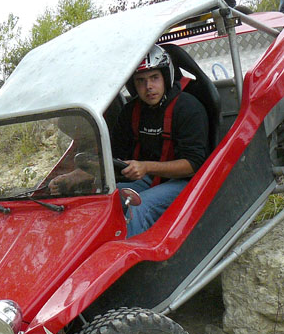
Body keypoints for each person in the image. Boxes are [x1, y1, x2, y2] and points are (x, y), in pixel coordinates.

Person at [50, 46, 210, 237]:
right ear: (133, 85)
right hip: (147, 178)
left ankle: (130, 261)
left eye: (154, 78)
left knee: (139, 207)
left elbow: (194, 165)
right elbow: (116, 159)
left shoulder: (188, 108)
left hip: (186, 182)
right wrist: (74, 177)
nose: (148, 86)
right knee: (106, 197)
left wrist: (146, 167)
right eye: (141, 81)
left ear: (166, 77)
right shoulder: (131, 112)